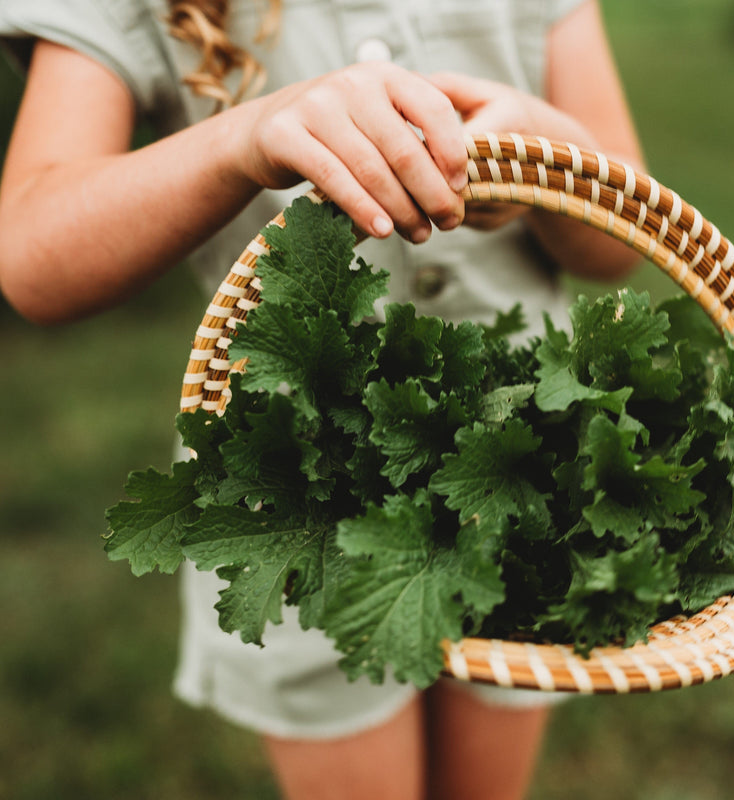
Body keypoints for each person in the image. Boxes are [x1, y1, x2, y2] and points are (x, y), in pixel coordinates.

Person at [0, 1, 644, 798]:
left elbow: (623, 246)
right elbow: (30, 253)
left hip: (522, 471)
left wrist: (553, 162)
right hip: (299, 490)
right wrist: (241, 140)